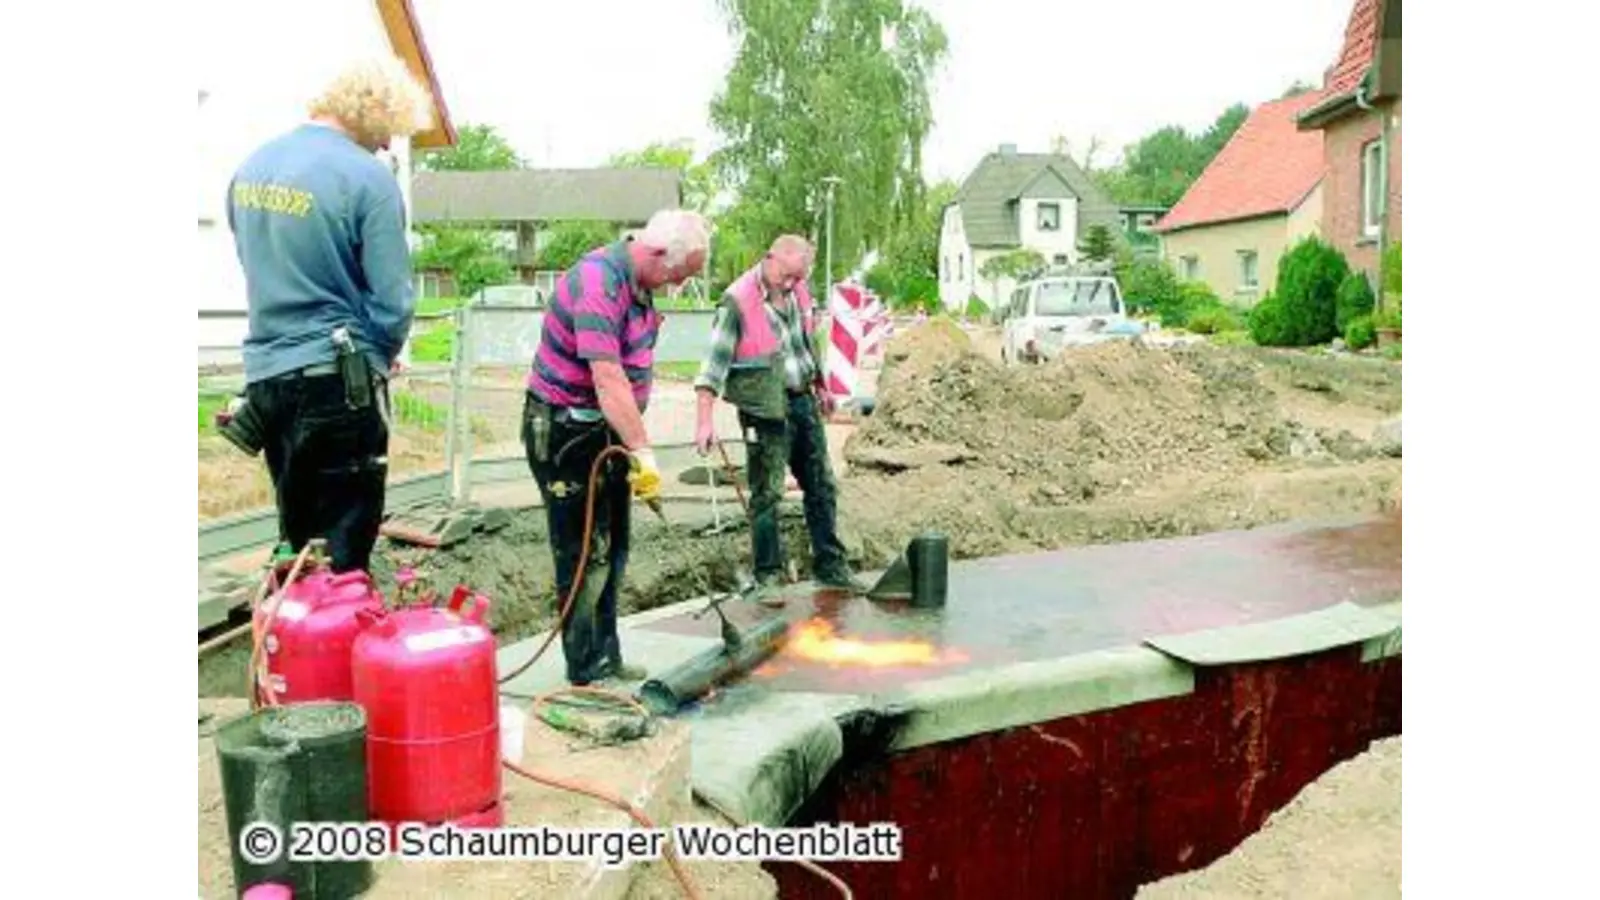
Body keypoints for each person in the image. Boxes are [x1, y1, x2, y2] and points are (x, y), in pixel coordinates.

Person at [227, 56, 431, 574]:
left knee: (298, 546)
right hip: (336, 382)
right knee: (342, 553)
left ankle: (287, 626)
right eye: (389, 129)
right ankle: (337, 627)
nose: (387, 144)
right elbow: (394, 301)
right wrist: (380, 352)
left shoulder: (252, 168)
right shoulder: (367, 178)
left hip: (268, 380)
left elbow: (254, 263)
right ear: (373, 110)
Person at [523, 210, 711, 686]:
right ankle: (585, 671)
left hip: (605, 433)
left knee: (616, 548)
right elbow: (607, 378)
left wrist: (631, 444)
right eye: (678, 274)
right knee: (584, 553)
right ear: (655, 252)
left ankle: (607, 656)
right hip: (564, 433)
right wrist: (644, 452)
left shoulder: (641, 285)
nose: (678, 285)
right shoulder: (598, 283)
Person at [692, 235, 868, 605]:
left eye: (798, 278)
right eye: (787, 275)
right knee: (767, 493)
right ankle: (768, 575)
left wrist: (820, 386)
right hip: (763, 409)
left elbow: (804, 345)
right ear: (770, 258)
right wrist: (704, 420)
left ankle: (830, 565)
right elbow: (712, 366)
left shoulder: (798, 292)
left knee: (821, 486)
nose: (791, 284)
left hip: (801, 400)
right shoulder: (737, 301)